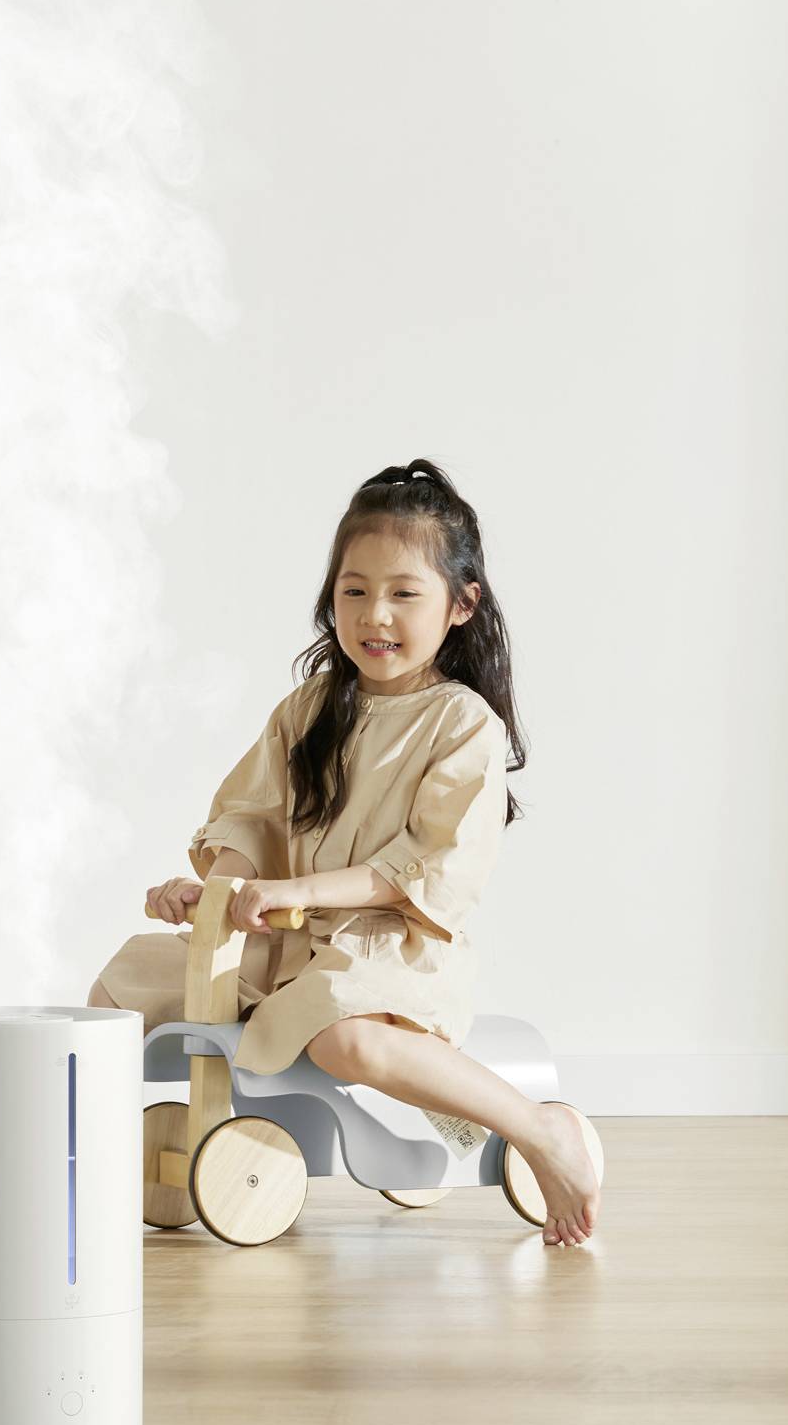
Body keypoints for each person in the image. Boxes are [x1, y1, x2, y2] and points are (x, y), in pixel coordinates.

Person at [89, 460, 599, 1245]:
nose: (375, 615)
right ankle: (86, 1159)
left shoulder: (462, 725)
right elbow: (251, 820)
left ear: (461, 605)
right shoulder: (310, 708)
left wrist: (297, 894)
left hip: (388, 953)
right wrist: (218, 894)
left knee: (342, 1034)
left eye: (404, 592)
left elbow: (424, 869)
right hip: (280, 945)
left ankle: (539, 1129)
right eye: (354, 590)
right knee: (128, 982)